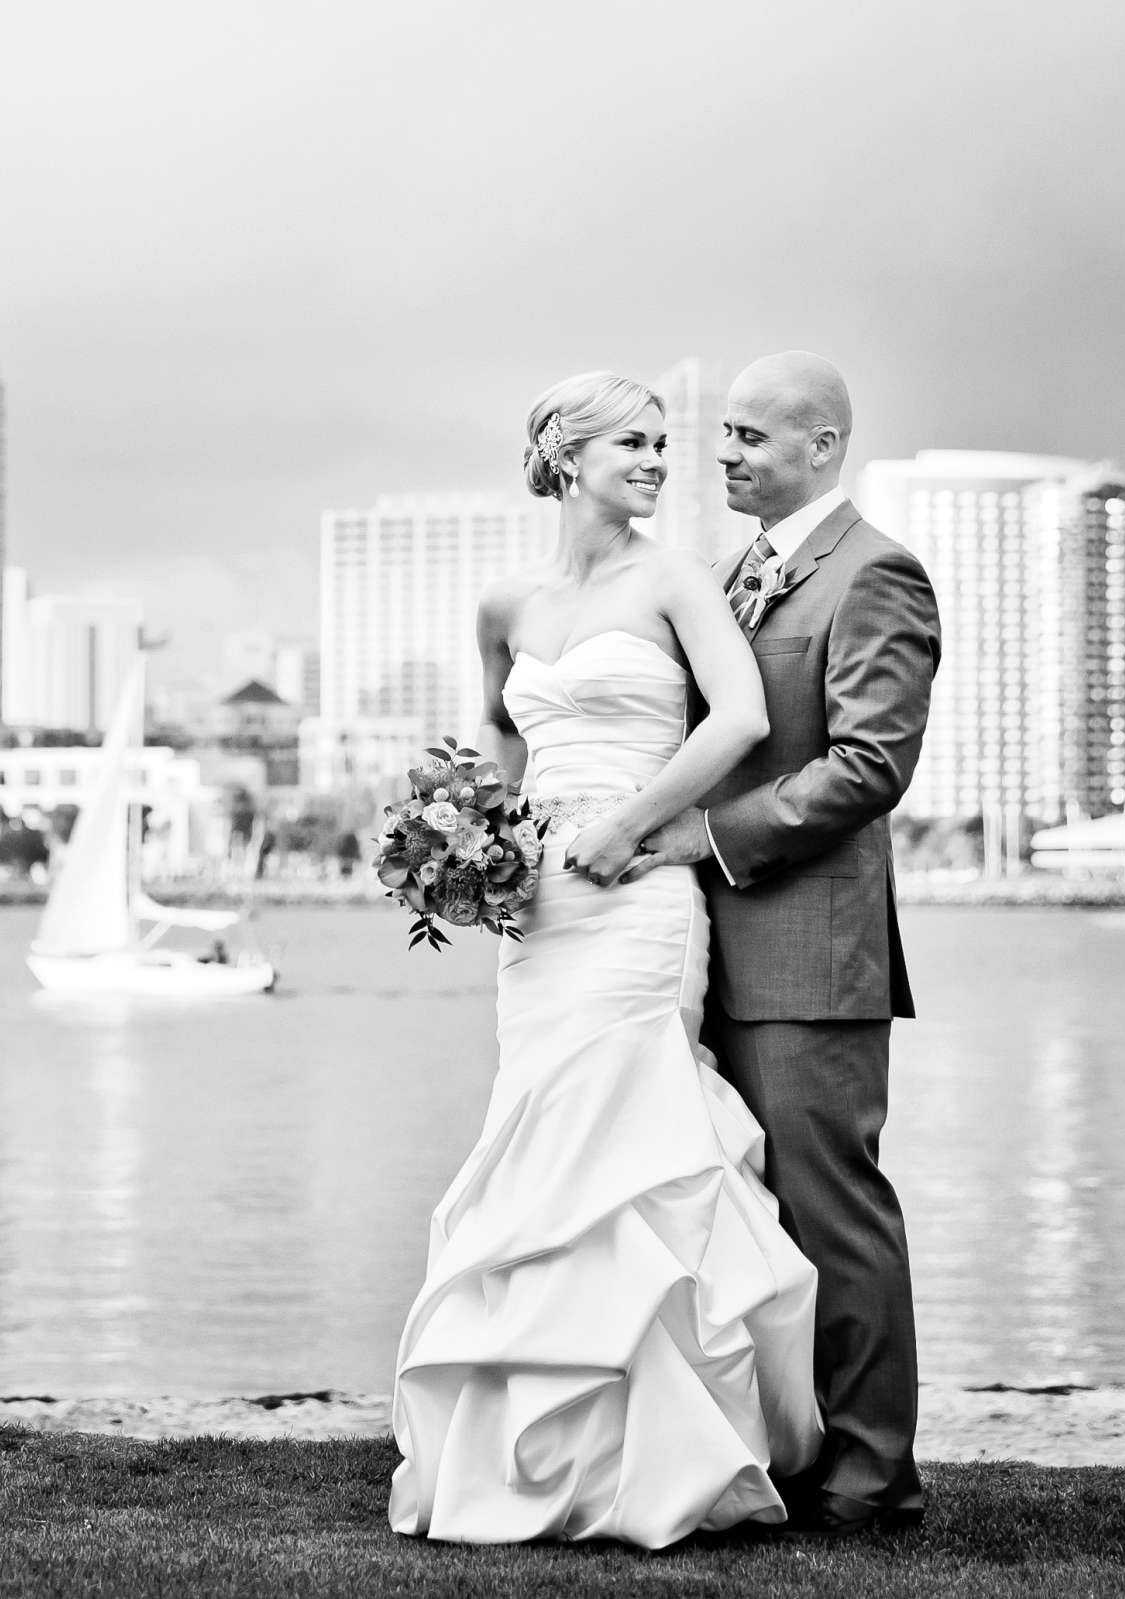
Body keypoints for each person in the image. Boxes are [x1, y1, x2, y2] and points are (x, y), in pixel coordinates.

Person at [389, 371, 820, 1548]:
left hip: (638, 901)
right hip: (539, 918)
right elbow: (496, 731)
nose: (658, 460)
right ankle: (536, 1446)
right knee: (537, 1142)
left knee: (631, 1142)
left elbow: (738, 722)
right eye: (633, 441)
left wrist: (630, 825)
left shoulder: (675, 578)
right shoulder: (505, 604)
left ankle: (664, 1454)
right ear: (564, 454)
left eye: (661, 442)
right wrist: (466, 833)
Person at [637, 351, 941, 1535]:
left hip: (809, 960)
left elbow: (870, 767)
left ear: (822, 447)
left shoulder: (876, 573)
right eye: (723, 437)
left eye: (751, 437)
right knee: (749, 1219)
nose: (724, 456)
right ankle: (784, 1445)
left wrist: (707, 836)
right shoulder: (727, 575)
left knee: (832, 1215)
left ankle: (872, 1480)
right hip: (702, 947)